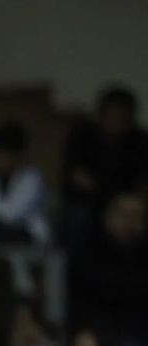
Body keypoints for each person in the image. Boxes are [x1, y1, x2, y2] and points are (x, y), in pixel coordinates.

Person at [68, 191, 148, 346]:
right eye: (125, 215)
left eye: (137, 217)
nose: (131, 223)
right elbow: (95, 287)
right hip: (98, 324)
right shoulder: (91, 247)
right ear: (109, 217)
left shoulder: (143, 251)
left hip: (137, 324)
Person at [61, 86, 148, 245]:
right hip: (88, 203)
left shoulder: (140, 141)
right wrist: (107, 196)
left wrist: (126, 203)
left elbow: (142, 183)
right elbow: (77, 177)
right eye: (111, 116)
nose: (115, 123)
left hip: (126, 203)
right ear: (100, 115)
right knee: (78, 218)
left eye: (122, 118)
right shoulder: (82, 134)